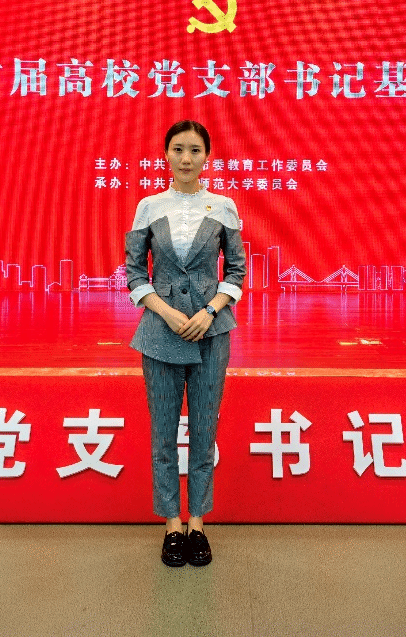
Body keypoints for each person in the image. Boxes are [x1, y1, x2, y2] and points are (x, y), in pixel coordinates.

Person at [125, 120, 246, 567]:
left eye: (195, 150)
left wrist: (210, 310)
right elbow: (134, 271)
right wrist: (167, 312)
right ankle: (171, 525)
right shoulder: (149, 206)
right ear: (166, 155)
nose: (186, 158)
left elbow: (236, 270)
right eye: (178, 149)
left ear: (207, 157)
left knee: (203, 431)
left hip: (211, 332)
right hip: (160, 332)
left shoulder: (224, 207)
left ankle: (198, 522)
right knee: (163, 434)